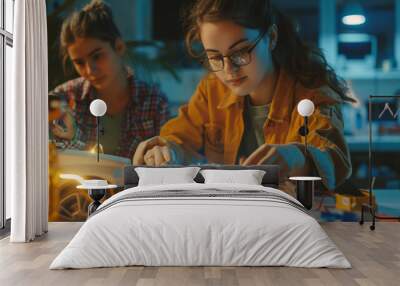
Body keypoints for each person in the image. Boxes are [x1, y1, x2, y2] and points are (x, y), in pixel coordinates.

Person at [133, 0, 355, 195]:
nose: (229, 70)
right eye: (215, 57)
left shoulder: (313, 93)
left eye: (241, 52)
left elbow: (335, 159)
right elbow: (177, 137)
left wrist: (299, 157)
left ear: (271, 37)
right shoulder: (211, 91)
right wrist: (166, 150)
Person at [49, 0, 169, 160]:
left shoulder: (154, 102)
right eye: (79, 62)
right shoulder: (63, 98)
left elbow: (165, 160)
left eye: (97, 56)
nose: (90, 70)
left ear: (119, 47)